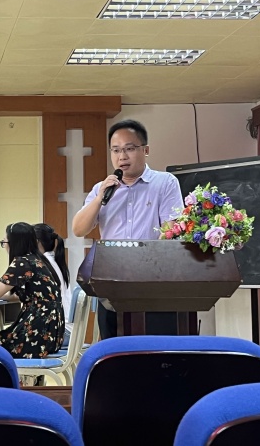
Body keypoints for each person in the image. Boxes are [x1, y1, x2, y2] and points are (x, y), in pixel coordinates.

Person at [72, 119, 183, 339]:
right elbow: (78, 229)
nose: (122, 156)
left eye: (129, 149)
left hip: (153, 280)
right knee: (115, 348)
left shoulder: (165, 183)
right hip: (112, 283)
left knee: (153, 346)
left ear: (145, 150)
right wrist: (100, 198)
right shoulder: (102, 189)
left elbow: (171, 231)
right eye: (116, 150)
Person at [0, 222, 65, 358]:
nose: (4, 246)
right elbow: (20, 296)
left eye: (4, 242)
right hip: (51, 335)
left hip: (36, 335)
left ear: (14, 243)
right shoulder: (38, 260)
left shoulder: (22, 262)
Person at [34, 223, 73, 346]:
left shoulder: (41, 265)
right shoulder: (54, 261)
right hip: (68, 331)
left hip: (60, 333)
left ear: (36, 242)